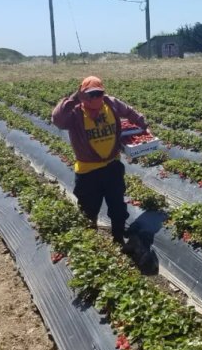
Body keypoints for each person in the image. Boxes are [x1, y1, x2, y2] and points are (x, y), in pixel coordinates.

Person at [51, 76, 148, 247]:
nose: (96, 97)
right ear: (83, 95)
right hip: (88, 171)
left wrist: (142, 124)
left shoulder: (111, 103)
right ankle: (91, 241)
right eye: (91, 94)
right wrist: (74, 98)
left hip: (112, 167)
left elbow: (130, 112)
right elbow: (57, 119)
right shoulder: (75, 113)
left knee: (117, 206)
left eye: (99, 93)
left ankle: (118, 238)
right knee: (88, 208)